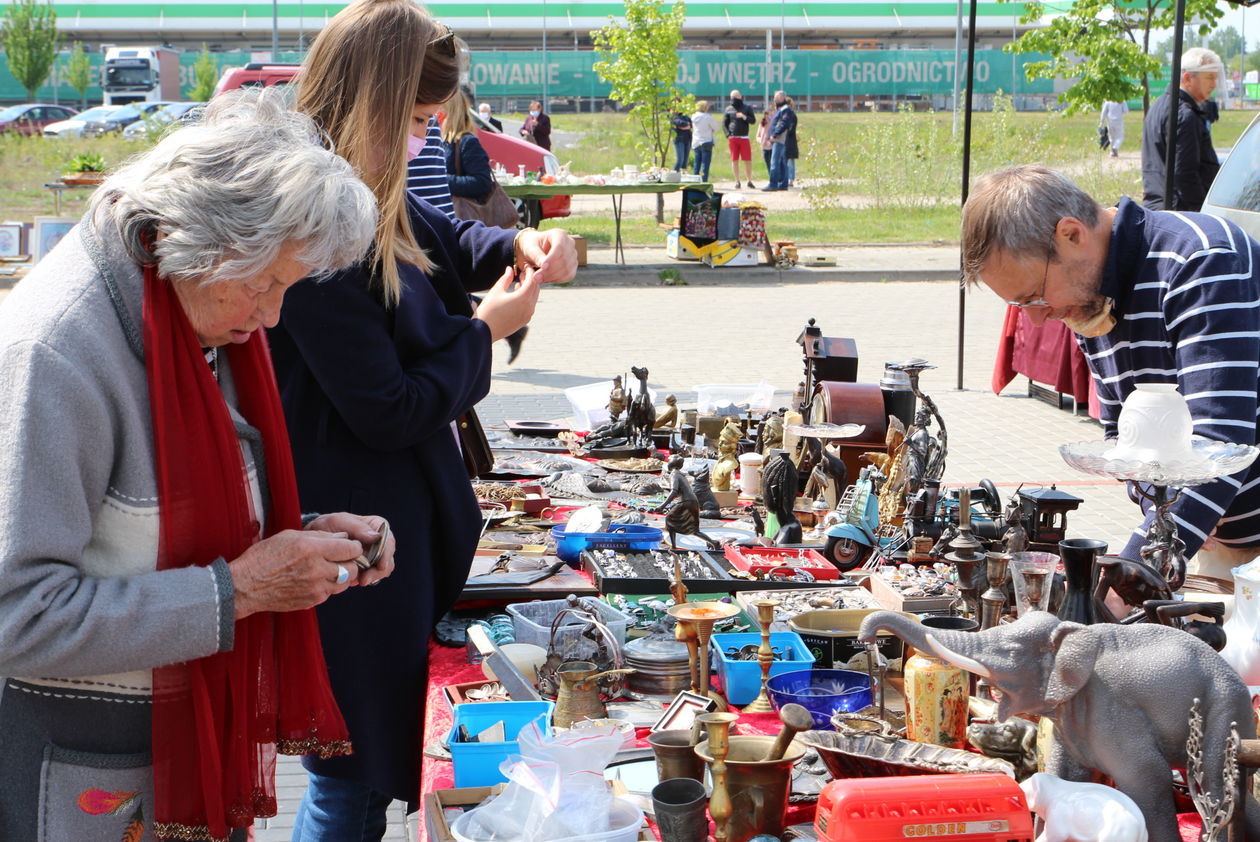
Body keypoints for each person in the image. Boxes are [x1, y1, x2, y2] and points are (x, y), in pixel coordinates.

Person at [0, 90, 391, 842]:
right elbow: (20, 614)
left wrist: (304, 542)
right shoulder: (56, 357)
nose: (272, 316)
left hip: (157, 756)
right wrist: (239, 590)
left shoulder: (184, 309)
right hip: (79, 771)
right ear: (199, 241)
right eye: (265, 284)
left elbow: (159, 528)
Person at [276, 2, 578, 837]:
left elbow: (428, 235)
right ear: (372, 103)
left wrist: (515, 248)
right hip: (352, 543)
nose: (421, 141)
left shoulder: (359, 189)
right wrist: (487, 331)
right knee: (353, 775)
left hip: (379, 538)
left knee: (363, 771)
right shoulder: (310, 219)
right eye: (412, 122)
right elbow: (388, 408)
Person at [962, 164, 1260, 580]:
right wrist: (1163, 519)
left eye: (1034, 296)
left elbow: (1219, 443)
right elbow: (1124, 437)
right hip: (1217, 535)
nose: (1039, 318)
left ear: (1071, 234)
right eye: (1022, 306)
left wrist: (1134, 572)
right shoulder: (1093, 291)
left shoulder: (1201, 260)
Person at [1141, 47, 1223, 211]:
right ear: (1187, 78)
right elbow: (1184, 174)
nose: (1214, 84)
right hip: (1181, 212)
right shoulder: (1185, 115)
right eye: (1210, 78)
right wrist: (1202, 212)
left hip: (1159, 206)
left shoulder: (1159, 105)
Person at [442, 88, 495, 203]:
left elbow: (482, 182)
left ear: (450, 112)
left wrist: (442, 180)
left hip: (461, 214)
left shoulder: (467, 142)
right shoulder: (442, 140)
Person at [723, 89, 756, 188]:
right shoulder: (728, 109)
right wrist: (728, 134)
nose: (735, 99)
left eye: (737, 97)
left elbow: (753, 120)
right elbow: (724, 123)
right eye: (733, 98)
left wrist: (744, 117)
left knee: (747, 160)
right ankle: (737, 181)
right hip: (733, 138)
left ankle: (749, 180)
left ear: (740, 97)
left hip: (744, 137)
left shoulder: (747, 108)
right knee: (734, 160)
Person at [764, 90, 795, 192]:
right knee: (781, 162)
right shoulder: (781, 109)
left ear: (781, 98)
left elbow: (783, 124)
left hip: (779, 138)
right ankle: (783, 184)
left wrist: (775, 134)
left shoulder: (785, 110)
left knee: (775, 161)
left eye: (776, 98)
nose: (774, 100)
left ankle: (773, 184)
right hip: (778, 138)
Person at [690, 99, 716, 182]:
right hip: (706, 141)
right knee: (705, 163)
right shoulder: (708, 117)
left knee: (697, 163)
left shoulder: (693, 117)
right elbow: (716, 127)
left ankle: (695, 180)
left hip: (696, 141)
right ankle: (704, 181)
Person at [671, 105, 692, 172]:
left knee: (685, 161)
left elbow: (691, 124)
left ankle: (682, 175)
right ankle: (674, 174)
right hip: (679, 140)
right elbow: (680, 123)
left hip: (687, 139)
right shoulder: (672, 117)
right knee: (680, 160)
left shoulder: (684, 116)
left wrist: (684, 126)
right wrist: (685, 125)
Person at [785, 95, 799, 188]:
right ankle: (785, 179)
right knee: (784, 160)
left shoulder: (792, 116)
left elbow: (791, 129)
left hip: (790, 140)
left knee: (790, 160)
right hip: (784, 140)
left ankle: (790, 180)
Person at [756, 111, 773, 178]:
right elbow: (757, 136)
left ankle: (775, 179)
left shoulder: (773, 124)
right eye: (766, 115)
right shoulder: (761, 124)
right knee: (768, 164)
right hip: (764, 147)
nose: (767, 117)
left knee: (773, 164)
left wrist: (770, 141)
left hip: (772, 146)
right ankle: (771, 178)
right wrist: (762, 141)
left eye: (768, 115)